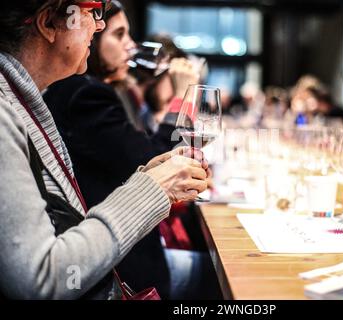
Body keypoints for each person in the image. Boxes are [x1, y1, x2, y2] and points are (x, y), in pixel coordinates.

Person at [0, 0, 209, 299]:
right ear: (48, 23)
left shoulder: (25, 99)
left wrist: (148, 177)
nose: (98, 25)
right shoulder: (11, 110)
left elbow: (63, 215)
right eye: (93, 11)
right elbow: (39, 281)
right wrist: (152, 187)